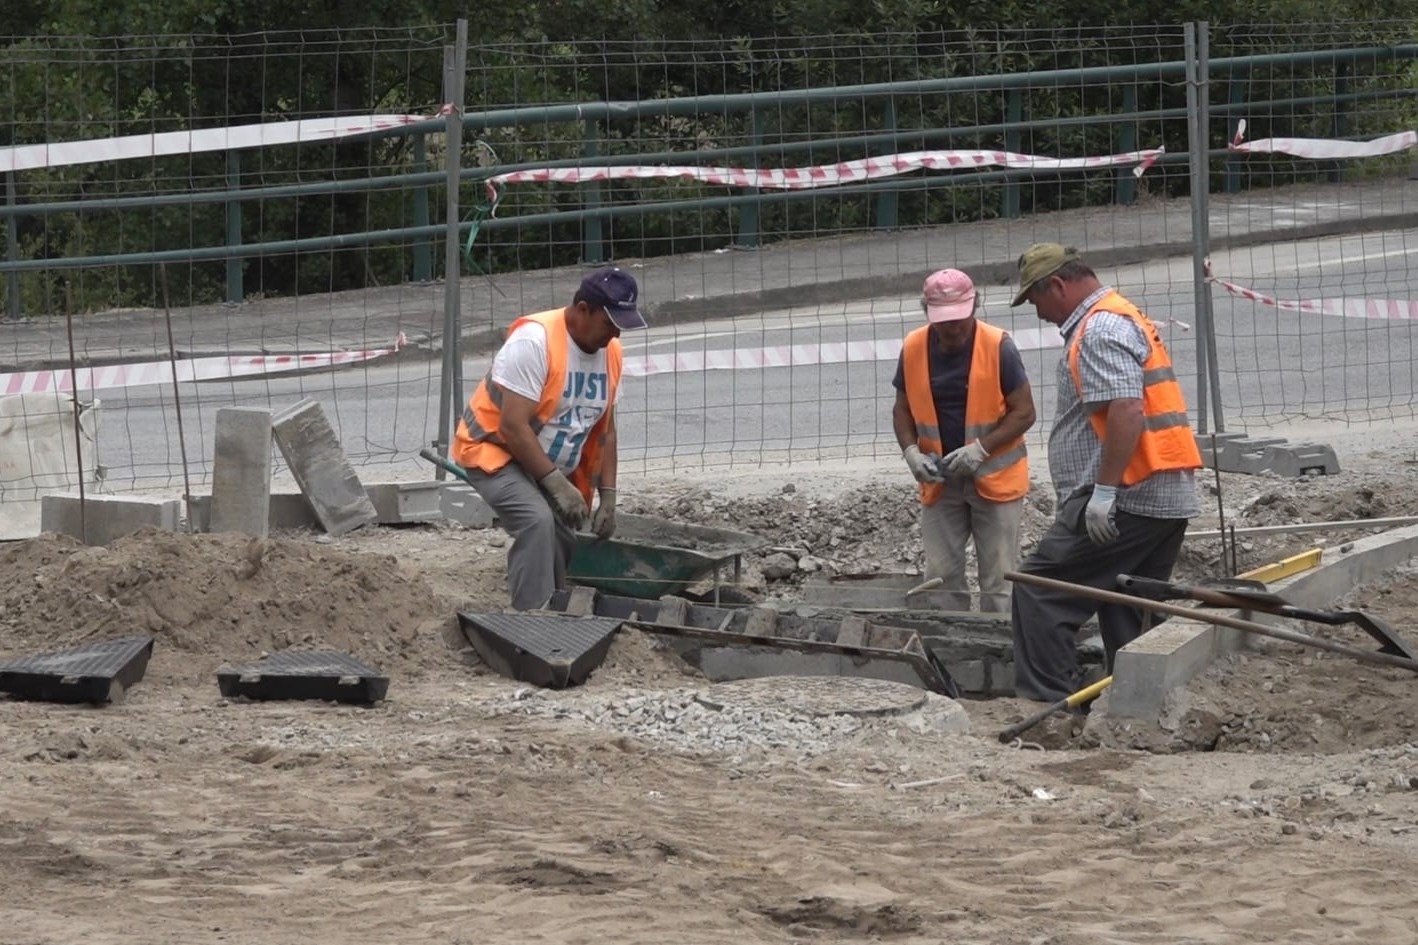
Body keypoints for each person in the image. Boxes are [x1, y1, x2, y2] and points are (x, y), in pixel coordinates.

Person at [1008, 243, 1202, 702]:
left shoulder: (1098, 330)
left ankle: (1047, 706)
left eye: (1035, 299)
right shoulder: (1121, 314)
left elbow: (1126, 409)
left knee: (1039, 591)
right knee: (1129, 607)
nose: (1037, 312)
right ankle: (1142, 708)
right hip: (1165, 492)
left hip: (1126, 496)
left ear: (1057, 284)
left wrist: (1104, 492)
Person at [451, 266, 647, 610]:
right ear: (583, 309)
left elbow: (607, 431)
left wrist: (609, 498)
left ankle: (554, 603)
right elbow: (513, 427)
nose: (615, 334)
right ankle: (532, 618)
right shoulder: (535, 342)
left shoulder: (611, 353)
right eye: (610, 323)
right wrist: (556, 486)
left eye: (621, 326)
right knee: (537, 520)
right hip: (494, 452)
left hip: (546, 461)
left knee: (563, 530)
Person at [892, 268, 1036, 613]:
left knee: (1000, 580)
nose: (952, 328)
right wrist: (911, 453)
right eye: (943, 320)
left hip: (996, 480)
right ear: (928, 312)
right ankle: (954, 651)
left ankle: (1000, 652)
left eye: (958, 319)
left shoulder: (998, 346)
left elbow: (1025, 412)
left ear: (974, 308)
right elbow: (902, 409)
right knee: (941, 577)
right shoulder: (914, 347)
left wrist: (981, 449)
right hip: (940, 482)